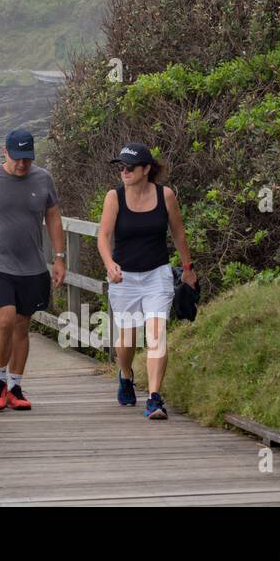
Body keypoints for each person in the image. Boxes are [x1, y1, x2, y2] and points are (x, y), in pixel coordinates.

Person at [0, 129, 66, 411]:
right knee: (4, 320)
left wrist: (59, 257)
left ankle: (15, 386)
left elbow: (53, 216)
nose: (22, 164)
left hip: (32, 265)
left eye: (27, 159)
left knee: (21, 326)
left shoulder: (43, 179)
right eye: (17, 158)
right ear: (4, 152)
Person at [95, 142, 195, 420]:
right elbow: (103, 236)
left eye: (130, 167)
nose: (124, 172)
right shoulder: (114, 198)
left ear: (146, 169)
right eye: (121, 167)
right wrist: (109, 264)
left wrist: (188, 268)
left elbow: (179, 234)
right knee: (127, 338)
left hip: (157, 274)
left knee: (156, 333)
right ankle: (126, 375)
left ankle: (154, 398)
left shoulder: (165, 196)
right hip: (124, 276)